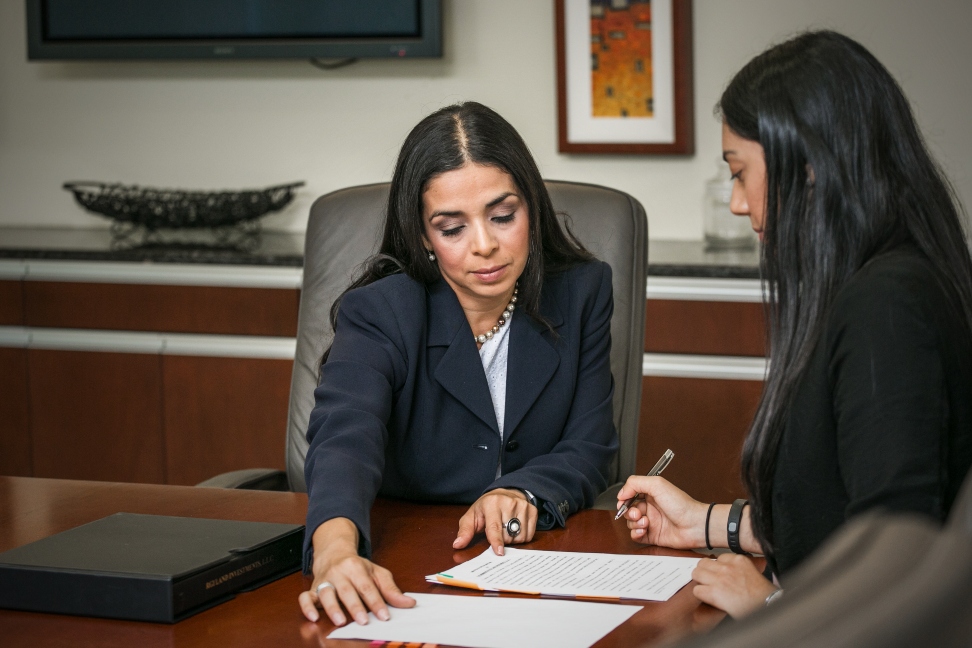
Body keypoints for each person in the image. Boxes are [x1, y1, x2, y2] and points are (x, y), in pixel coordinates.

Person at [618, 30, 972, 619]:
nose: (736, 203)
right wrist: (704, 523)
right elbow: (837, 512)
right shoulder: (879, 284)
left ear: (807, 168)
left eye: (740, 172)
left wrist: (770, 607)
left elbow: (897, 563)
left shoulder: (887, 310)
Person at [297, 102, 619, 625]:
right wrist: (334, 550)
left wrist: (522, 489)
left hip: (539, 566)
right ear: (424, 236)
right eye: (452, 228)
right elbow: (344, 436)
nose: (485, 245)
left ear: (532, 209)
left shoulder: (583, 291)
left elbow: (591, 445)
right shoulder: (381, 311)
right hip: (415, 560)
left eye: (503, 216)